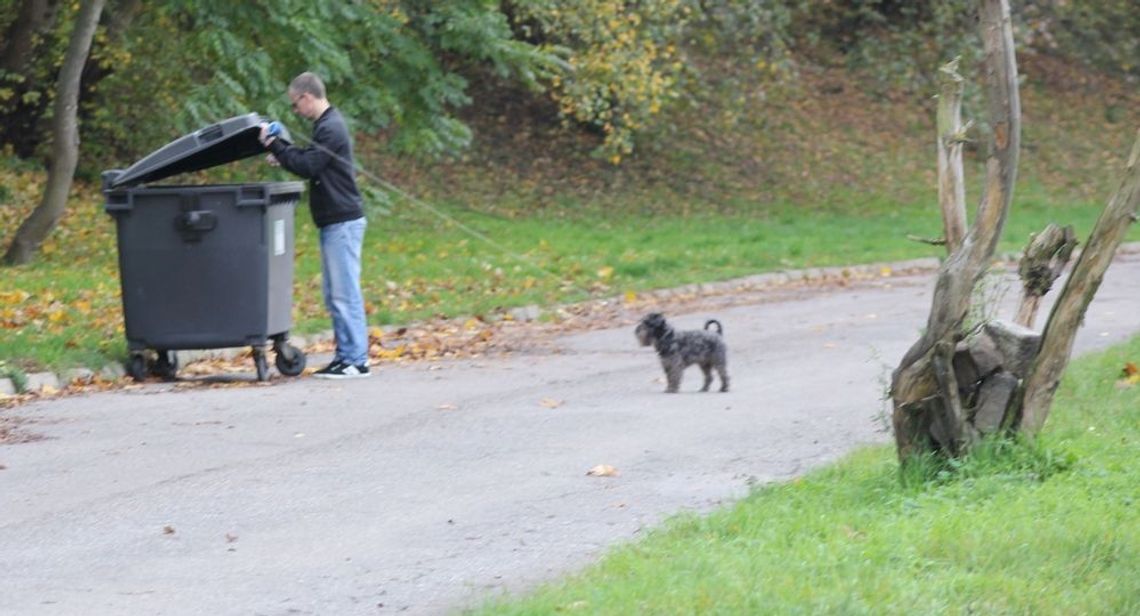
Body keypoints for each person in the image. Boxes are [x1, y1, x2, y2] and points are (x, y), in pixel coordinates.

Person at [260, 72, 371, 379]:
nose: (296, 111)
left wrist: (277, 147)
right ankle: (345, 356)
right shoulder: (324, 126)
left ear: (307, 97)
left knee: (344, 293)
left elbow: (308, 166)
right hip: (334, 221)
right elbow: (306, 159)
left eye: (296, 105)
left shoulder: (331, 128)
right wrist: (281, 153)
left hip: (343, 221)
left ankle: (356, 360)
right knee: (334, 293)